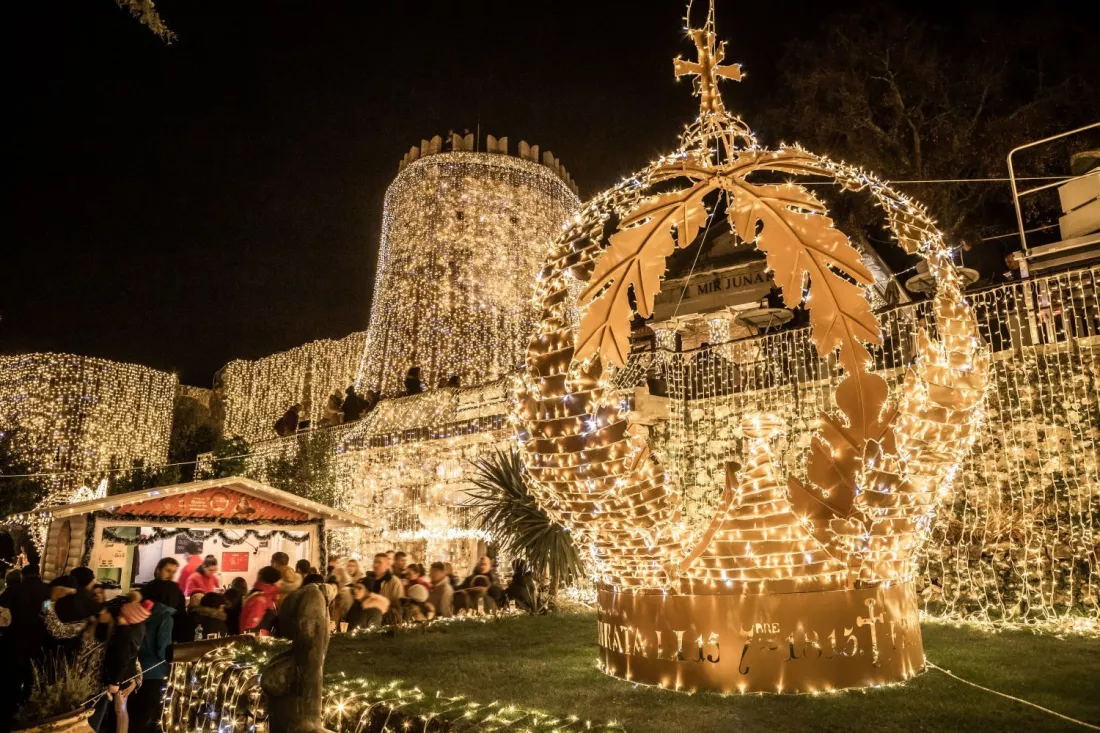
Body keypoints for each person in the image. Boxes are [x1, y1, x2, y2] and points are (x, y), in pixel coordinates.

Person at [92, 594, 151, 733]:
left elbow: (122, 658)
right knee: (120, 710)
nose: (119, 617)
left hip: (120, 678)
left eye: (122, 615)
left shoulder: (124, 633)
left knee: (120, 710)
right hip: (124, 677)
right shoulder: (132, 630)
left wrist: (115, 681)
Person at [131, 583, 176, 733]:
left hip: (135, 669)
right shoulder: (165, 617)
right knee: (149, 717)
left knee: (135, 715)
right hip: (155, 672)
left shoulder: (143, 610)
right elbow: (163, 649)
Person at [240, 566, 281, 635]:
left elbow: (251, 627)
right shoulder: (270, 595)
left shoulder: (259, 599)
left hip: (256, 639)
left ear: (260, 576)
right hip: (266, 637)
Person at [367, 553, 404, 624]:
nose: (376, 565)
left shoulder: (394, 582)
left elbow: (398, 607)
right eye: (375, 562)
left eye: (379, 563)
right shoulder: (368, 580)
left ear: (387, 565)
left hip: (384, 622)